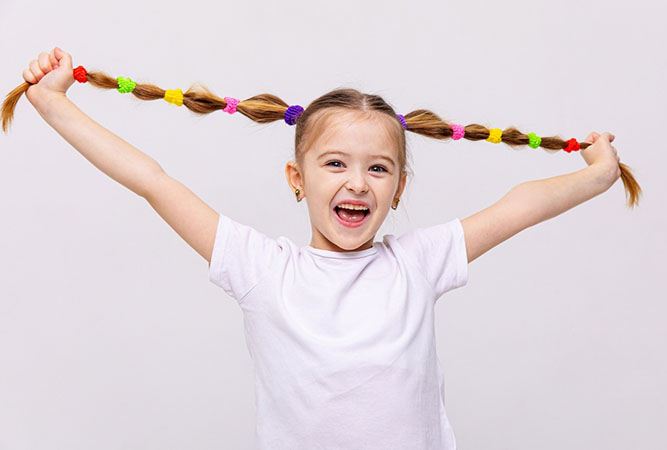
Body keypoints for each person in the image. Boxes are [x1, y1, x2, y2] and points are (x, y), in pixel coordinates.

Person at [14, 47, 635, 450]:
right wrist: (52, 102)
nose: (357, 183)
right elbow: (153, 181)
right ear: (297, 179)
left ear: (398, 191)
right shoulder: (261, 268)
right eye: (335, 163)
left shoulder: (416, 262)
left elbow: (516, 207)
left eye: (379, 169)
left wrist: (598, 175)